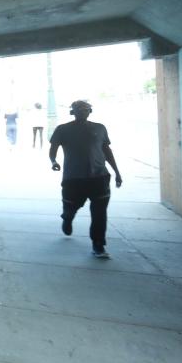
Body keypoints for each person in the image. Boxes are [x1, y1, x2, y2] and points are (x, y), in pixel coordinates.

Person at [49, 100, 123, 258]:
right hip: (73, 179)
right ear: (72, 112)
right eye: (78, 109)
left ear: (90, 111)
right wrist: (54, 161)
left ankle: (98, 245)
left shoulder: (100, 128)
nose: (83, 111)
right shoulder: (62, 129)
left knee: (99, 214)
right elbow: (53, 148)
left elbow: (106, 150)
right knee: (71, 207)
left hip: (99, 177)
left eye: (86, 109)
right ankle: (68, 217)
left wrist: (116, 171)